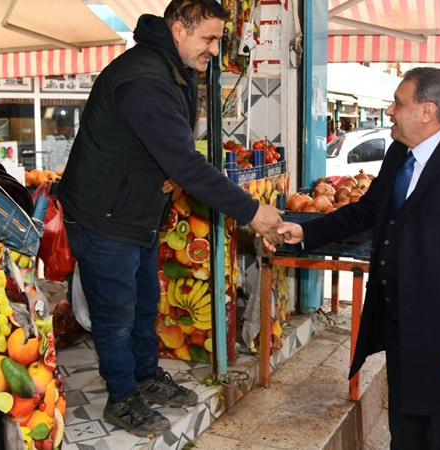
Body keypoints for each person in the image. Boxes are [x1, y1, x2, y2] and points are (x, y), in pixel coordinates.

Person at [56, 0, 284, 438]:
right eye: (209, 39)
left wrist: (170, 172)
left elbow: (168, 147)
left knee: (145, 304)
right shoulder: (145, 78)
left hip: (136, 210)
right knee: (116, 315)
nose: (215, 50)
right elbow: (184, 160)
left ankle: (144, 377)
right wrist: (251, 210)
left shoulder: (171, 68)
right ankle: (122, 398)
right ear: (178, 29)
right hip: (104, 214)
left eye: (218, 40)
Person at [274, 67, 440, 448]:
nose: (389, 111)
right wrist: (306, 231)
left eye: (398, 104)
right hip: (402, 332)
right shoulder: (400, 154)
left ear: (427, 111)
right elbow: (367, 211)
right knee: (404, 439)